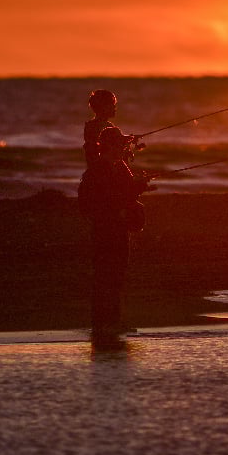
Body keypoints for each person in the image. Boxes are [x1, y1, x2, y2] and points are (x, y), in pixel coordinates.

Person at [78, 126, 153, 347]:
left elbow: (125, 193)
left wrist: (139, 187)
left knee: (117, 274)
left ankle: (113, 321)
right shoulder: (97, 170)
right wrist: (128, 197)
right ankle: (102, 323)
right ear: (109, 146)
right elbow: (99, 202)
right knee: (105, 276)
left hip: (119, 230)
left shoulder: (119, 167)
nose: (123, 148)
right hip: (104, 231)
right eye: (119, 144)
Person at [83, 89, 118, 167]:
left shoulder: (109, 125)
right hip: (100, 170)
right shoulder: (92, 126)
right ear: (103, 107)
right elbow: (93, 151)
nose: (115, 108)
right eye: (112, 105)